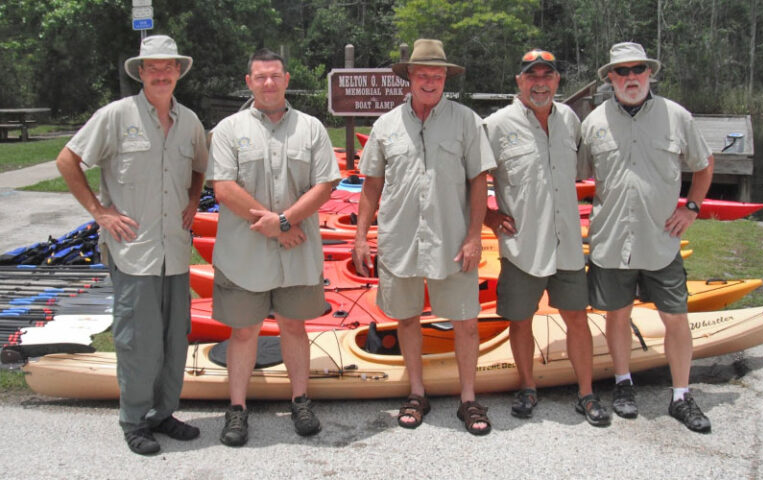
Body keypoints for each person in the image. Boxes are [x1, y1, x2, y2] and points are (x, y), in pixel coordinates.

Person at [55, 35, 208, 455]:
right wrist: (100, 212)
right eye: (152, 67)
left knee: (174, 338)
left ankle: (163, 413)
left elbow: (199, 166)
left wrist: (195, 199)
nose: (161, 74)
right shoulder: (115, 116)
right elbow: (67, 160)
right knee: (137, 339)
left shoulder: (190, 121)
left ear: (178, 71)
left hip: (174, 250)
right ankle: (134, 420)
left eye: (168, 67)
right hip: (132, 251)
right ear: (141, 72)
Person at [352, 39, 496, 436]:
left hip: (453, 241)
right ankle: (417, 392)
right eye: (422, 75)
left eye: (437, 75)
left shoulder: (467, 121)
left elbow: (478, 181)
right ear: (409, 78)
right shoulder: (385, 126)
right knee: (407, 318)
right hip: (400, 239)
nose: (430, 81)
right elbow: (370, 186)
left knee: (465, 321)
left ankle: (468, 398)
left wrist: (473, 237)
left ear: (445, 78)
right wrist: (361, 237)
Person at [207, 49, 340, 446]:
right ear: (248, 81)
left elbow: (325, 184)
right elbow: (224, 188)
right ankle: (237, 409)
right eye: (260, 76)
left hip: (297, 253)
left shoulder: (312, 128)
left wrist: (284, 222)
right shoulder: (228, 129)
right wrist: (273, 226)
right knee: (244, 332)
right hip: (243, 255)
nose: (268, 83)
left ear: (286, 79)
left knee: (294, 327)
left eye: (275, 76)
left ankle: (300, 400)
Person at [579, 42, 715, 433]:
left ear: (649, 73)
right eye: (621, 71)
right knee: (617, 316)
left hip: (662, 240)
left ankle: (681, 395)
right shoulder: (593, 122)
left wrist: (691, 208)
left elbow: (704, 166)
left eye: (638, 69)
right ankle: (623, 384)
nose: (631, 77)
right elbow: (576, 173)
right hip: (610, 239)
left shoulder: (677, 116)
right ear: (610, 78)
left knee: (676, 317)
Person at [484, 49, 610, 427]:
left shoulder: (570, 119)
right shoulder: (496, 125)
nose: (540, 82)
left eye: (547, 75)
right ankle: (526, 386)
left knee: (577, 318)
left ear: (557, 81)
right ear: (519, 81)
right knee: (520, 320)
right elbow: (470, 178)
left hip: (568, 244)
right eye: (532, 75)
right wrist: (489, 215)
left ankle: (586, 393)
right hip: (523, 245)